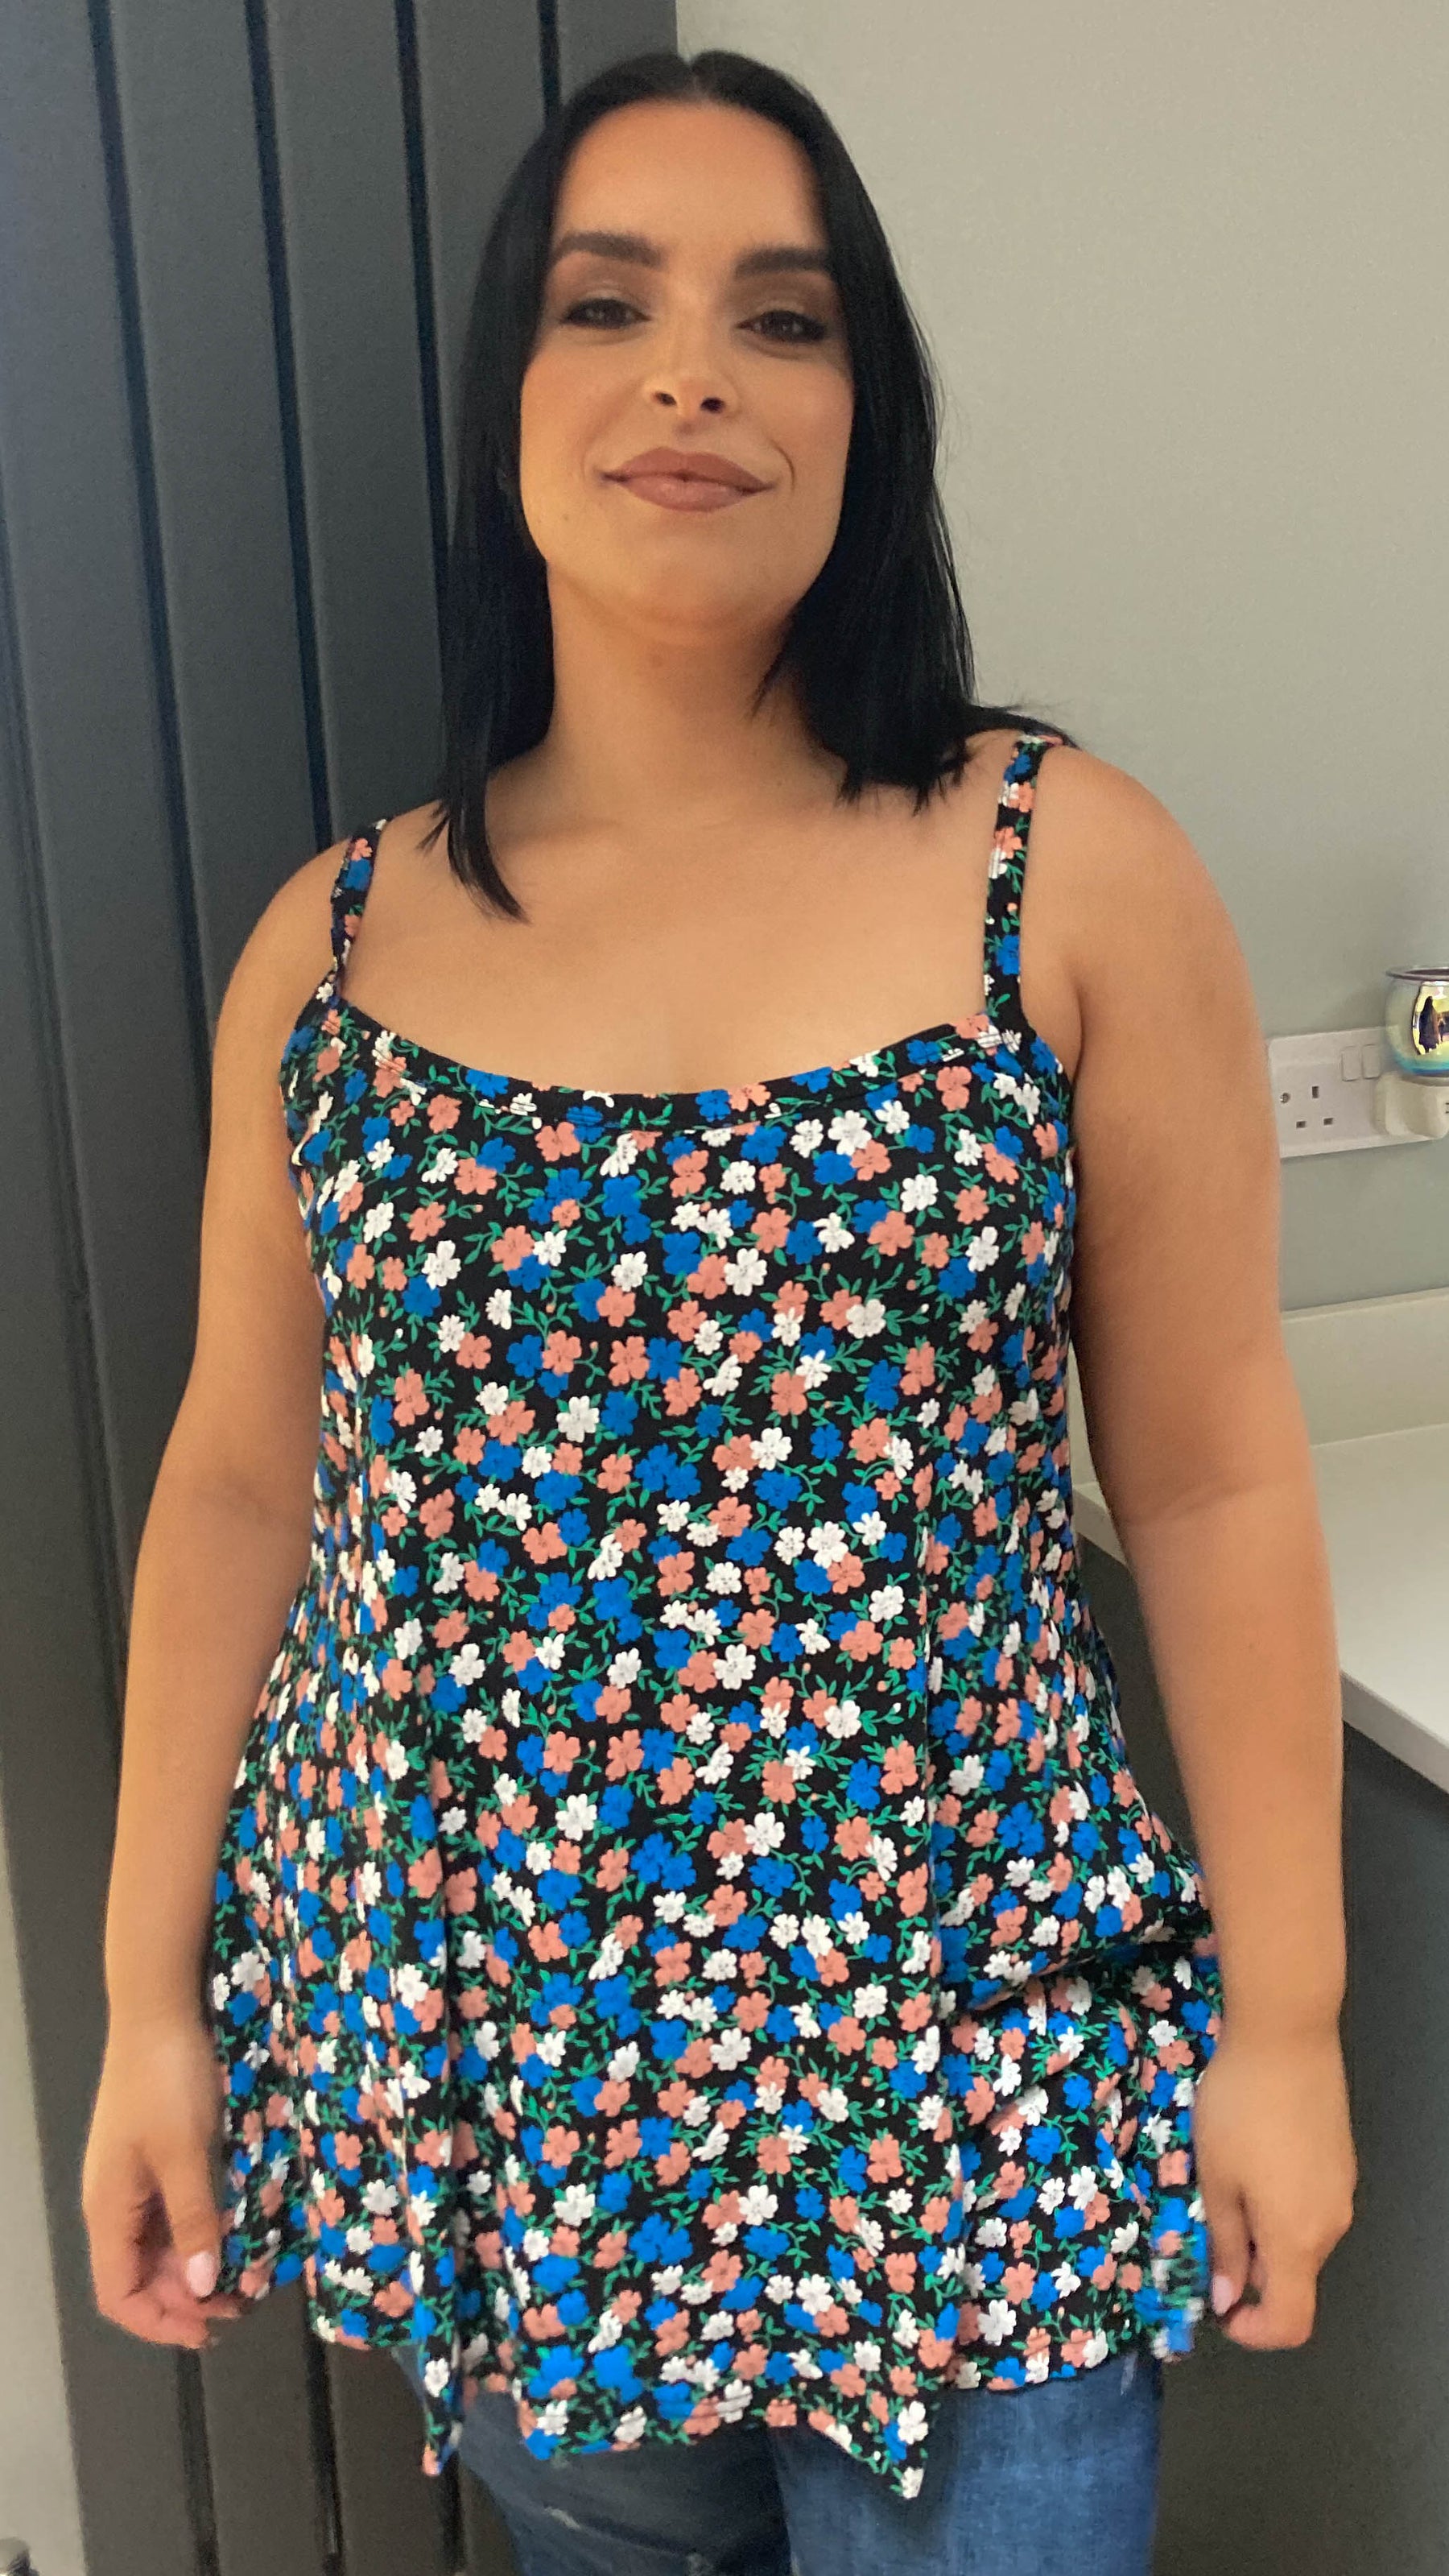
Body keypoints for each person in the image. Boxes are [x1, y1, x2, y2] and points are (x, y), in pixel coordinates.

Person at [80, 43, 1355, 2576]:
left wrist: (1288, 2025)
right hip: (500, 2108)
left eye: (784, 317)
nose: (692, 374)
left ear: (867, 417)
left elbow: (1214, 1473)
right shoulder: (332, 953)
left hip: (968, 2113)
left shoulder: (1065, 874)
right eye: (608, 303)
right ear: (508, 398)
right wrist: (146, 2007)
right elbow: (237, 1484)